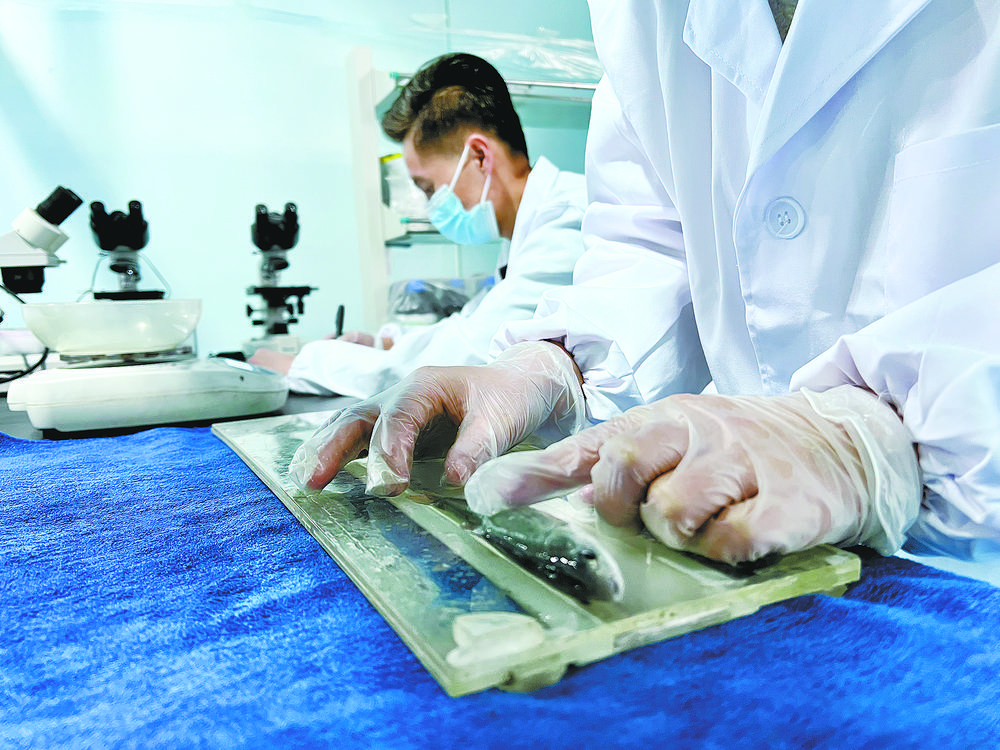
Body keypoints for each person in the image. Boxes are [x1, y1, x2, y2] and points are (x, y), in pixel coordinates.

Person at [289, 0, 1000, 566]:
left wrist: (870, 443)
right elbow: (650, 238)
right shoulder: (638, 13)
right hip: (737, 536)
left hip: (970, 549)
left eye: (426, 187)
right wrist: (554, 364)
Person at [249, 53, 587, 398]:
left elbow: (467, 357)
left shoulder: (569, 222)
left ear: (480, 157)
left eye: (429, 188)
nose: (430, 206)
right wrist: (384, 343)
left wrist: (303, 365)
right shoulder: (526, 233)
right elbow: (468, 324)